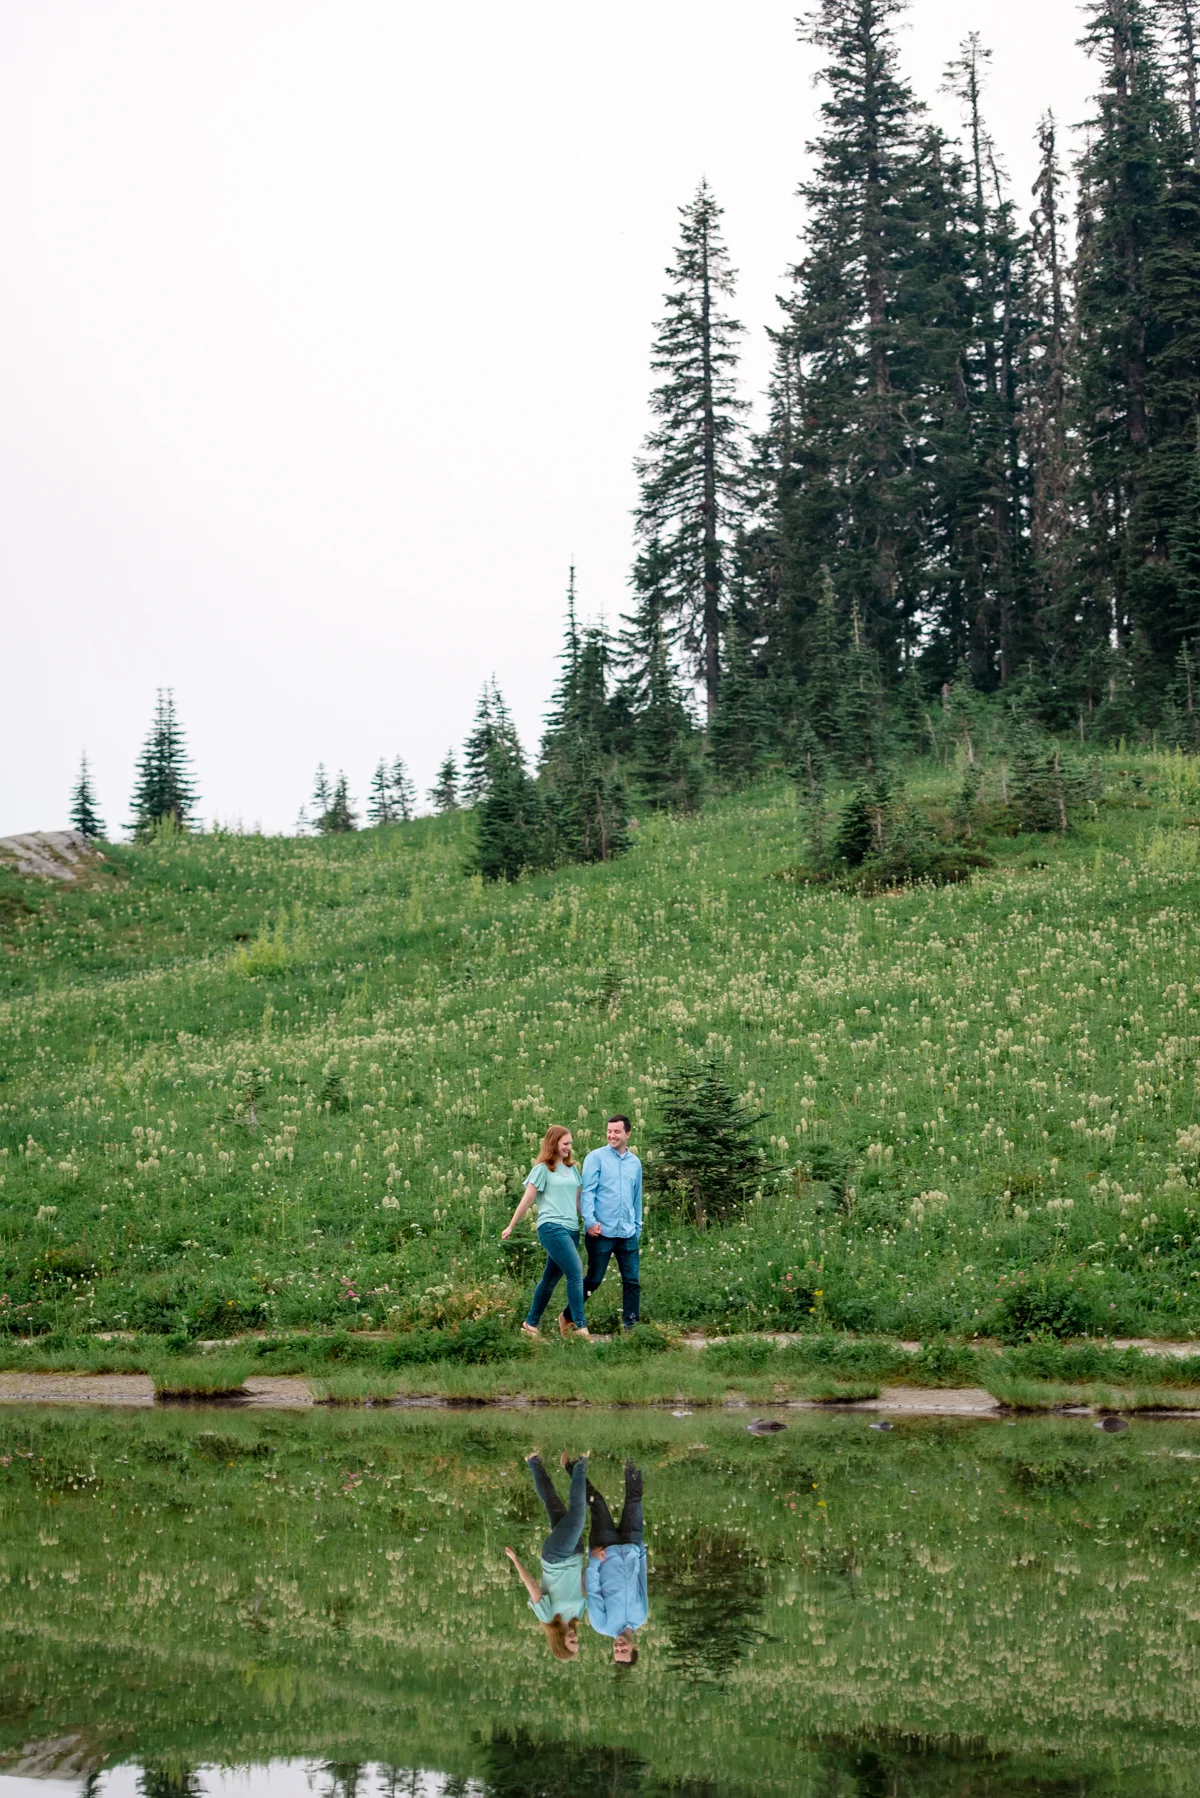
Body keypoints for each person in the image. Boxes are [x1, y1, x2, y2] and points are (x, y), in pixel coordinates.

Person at [502, 1125, 591, 1340]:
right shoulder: (542, 1169)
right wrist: (511, 1225)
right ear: (553, 1144)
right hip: (551, 1227)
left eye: (570, 1144)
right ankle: (579, 1326)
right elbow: (528, 1198)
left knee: (550, 1279)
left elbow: (578, 1201)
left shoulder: (573, 1169)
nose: (569, 1148)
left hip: (571, 1230)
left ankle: (530, 1324)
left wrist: (592, 1221)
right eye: (565, 1144)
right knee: (575, 1272)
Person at [560, 1114, 642, 1337]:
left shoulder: (635, 1163)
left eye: (617, 1131)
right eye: (609, 1131)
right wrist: (590, 1222)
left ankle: (631, 1327)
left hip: (627, 1232)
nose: (612, 1135)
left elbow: (637, 1197)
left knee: (632, 1281)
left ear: (627, 1134)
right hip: (601, 1232)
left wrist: (637, 1226)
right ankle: (568, 1315)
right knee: (594, 1279)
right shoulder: (596, 1158)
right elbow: (588, 1192)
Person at [504, 1452, 589, 1661]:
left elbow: (532, 1586)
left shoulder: (548, 1617)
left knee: (578, 1514)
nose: (575, 1639)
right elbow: (584, 1581)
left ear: (560, 1642)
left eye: (571, 1643)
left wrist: (515, 1560)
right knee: (554, 1504)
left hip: (556, 1557)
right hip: (576, 1553)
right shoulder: (579, 1615)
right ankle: (533, 1461)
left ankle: (580, 1464)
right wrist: (598, 1561)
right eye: (577, 1642)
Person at [585, 1459, 647, 1665]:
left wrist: (594, 1561)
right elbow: (642, 1581)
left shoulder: (602, 1625)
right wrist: (641, 1552)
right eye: (624, 1649)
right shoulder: (641, 1616)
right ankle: (632, 1455)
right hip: (631, 1546)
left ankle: (573, 1466)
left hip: (605, 1550)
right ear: (634, 1647)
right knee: (635, 1499)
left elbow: (593, 1591)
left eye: (617, 1650)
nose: (619, 1646)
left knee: (598, 1503)